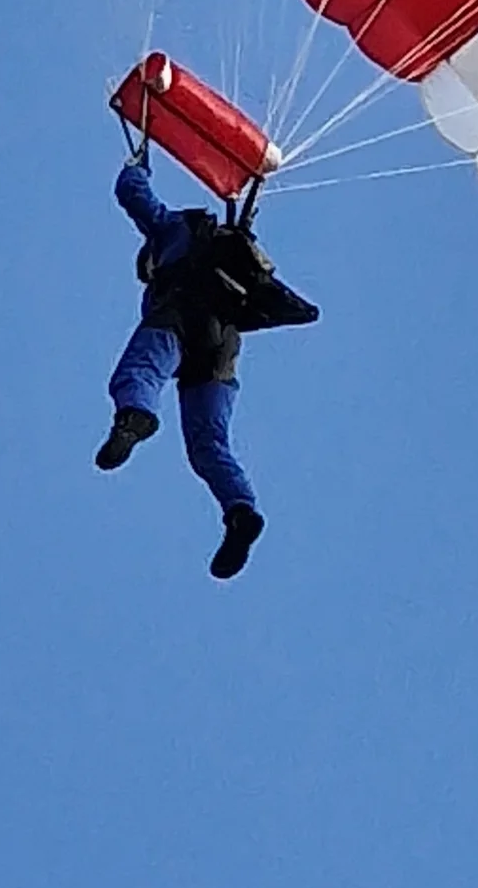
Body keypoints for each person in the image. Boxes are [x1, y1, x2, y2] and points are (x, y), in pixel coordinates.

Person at [95, 144, 318, 576]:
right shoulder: (217, 244)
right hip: (223, 345)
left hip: (185, 312)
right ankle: (240, 512)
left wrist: (136, 159)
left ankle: (132, 418)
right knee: (208, 445)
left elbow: (131, 193)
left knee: (141, 369)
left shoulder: (169, 232)